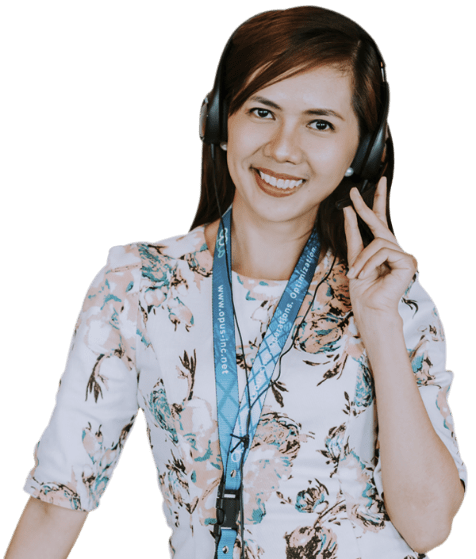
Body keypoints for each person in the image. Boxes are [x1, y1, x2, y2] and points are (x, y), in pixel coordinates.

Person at [5, 5, 468, 559]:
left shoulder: (393, 295)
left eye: (320, 123)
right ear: (220, 122)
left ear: (361, 151)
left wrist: (380, 324)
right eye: (262, 111)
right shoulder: (140, 286)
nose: (282, 149)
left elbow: (429, 526)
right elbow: (59, 503)